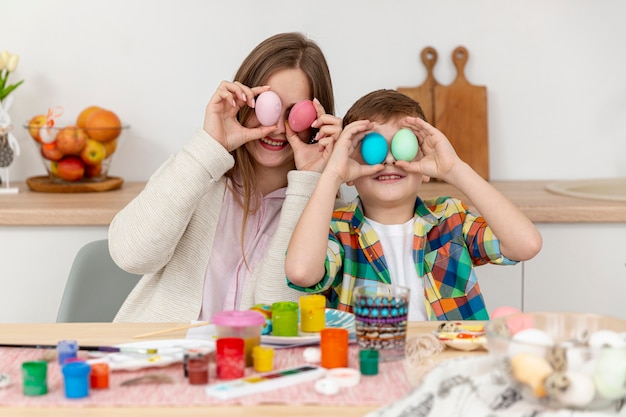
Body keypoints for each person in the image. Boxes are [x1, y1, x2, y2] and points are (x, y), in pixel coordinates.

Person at [109, 32, 342, 322]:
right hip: (163, 356)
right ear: (243, 100)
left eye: (297, 113)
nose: (280, 128)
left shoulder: (324, 212)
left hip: (256, 364)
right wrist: (209, 145)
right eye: (267, 105)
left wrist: (308, 182)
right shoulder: (197, 173)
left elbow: (280, 316)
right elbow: (131, 255)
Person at [285, 89, 542, 320]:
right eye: (371, 148)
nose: (388, 159)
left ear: (426, 165)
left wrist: (454, 169)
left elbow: (525, 245)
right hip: (373, 365)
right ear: (350, 169)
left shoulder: (450, 219)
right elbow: (301, 272)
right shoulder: (337, 231)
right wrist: (333, 174)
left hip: (447, 363)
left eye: (402, 146)